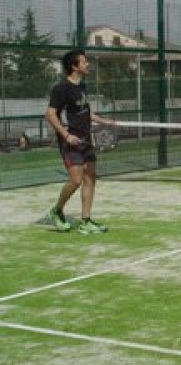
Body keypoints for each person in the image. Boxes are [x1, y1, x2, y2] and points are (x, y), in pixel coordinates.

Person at [45, 49, 115, 233]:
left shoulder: (82, 86)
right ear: (74, 66)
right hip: (71, 142)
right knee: (75, 180)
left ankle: (86, 220)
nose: (88, 64)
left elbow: (84, 111)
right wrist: (66, 135)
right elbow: (50, 114)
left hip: (86, 140)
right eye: (84, 62)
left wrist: (103, 120)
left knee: (90, 178)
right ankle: (57, 210)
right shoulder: (61, 88)